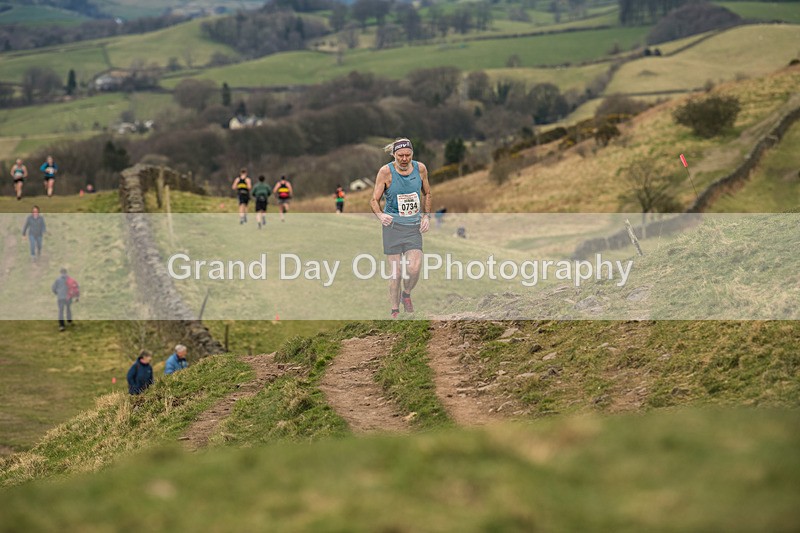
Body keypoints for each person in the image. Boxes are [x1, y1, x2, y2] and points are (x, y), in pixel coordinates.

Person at [370, 138, 431, 319]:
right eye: (400, 156)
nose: (404, 159)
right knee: (396, 273)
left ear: (412, 154)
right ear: (394, 155)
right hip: (393, 227)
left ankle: (407, 294)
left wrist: (426, 216)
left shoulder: (420, 169)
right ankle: (395, 311)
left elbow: (427, 192)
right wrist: (381, 215)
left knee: (414, 269)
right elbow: (374, 200)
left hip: (413, 227)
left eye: (408, 155)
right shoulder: (385, 172)